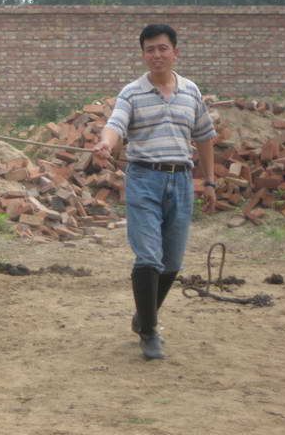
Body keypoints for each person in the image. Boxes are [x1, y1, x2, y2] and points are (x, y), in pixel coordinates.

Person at [93, 24, 216, 360]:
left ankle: (143, 315)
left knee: (172, 261)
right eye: (150, 49)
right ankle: (149, 331)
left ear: (175, 52)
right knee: (148, 256)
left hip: (181, 182)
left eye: (163, 48)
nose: (157, 55)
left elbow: (205, 136)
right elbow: (116, 124)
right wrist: (106, 143)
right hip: (143, 180)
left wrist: (210, 180)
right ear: (143, 54)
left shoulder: (191, 92)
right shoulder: (131, 93)